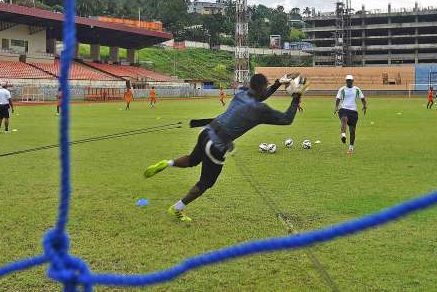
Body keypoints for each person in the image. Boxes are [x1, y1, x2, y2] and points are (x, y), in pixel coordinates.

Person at [144, 73, 309, 222]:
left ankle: (168, 163)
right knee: (205, 183)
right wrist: (296, 96)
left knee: (192, 160)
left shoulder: (241, 93)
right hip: (216, 146)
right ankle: (177, 208)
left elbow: (260, 95)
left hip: (206, 132)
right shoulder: (260, 110)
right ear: (262, 88)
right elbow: (287, 119)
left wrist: (278, 83)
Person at [334, 74, 367, 154]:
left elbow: (362, 98)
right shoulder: (342, 89)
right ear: (346, 81)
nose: (348, 82)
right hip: (343, 109)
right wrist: (336, 107)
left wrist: (364, 106)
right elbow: (338, 99)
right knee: (344, 119)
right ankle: (343, 135)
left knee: (352, 131)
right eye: (347, 80)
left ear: (352, 81)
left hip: (353, 111)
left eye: (350, 80)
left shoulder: (356, 89)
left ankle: (351, 148)